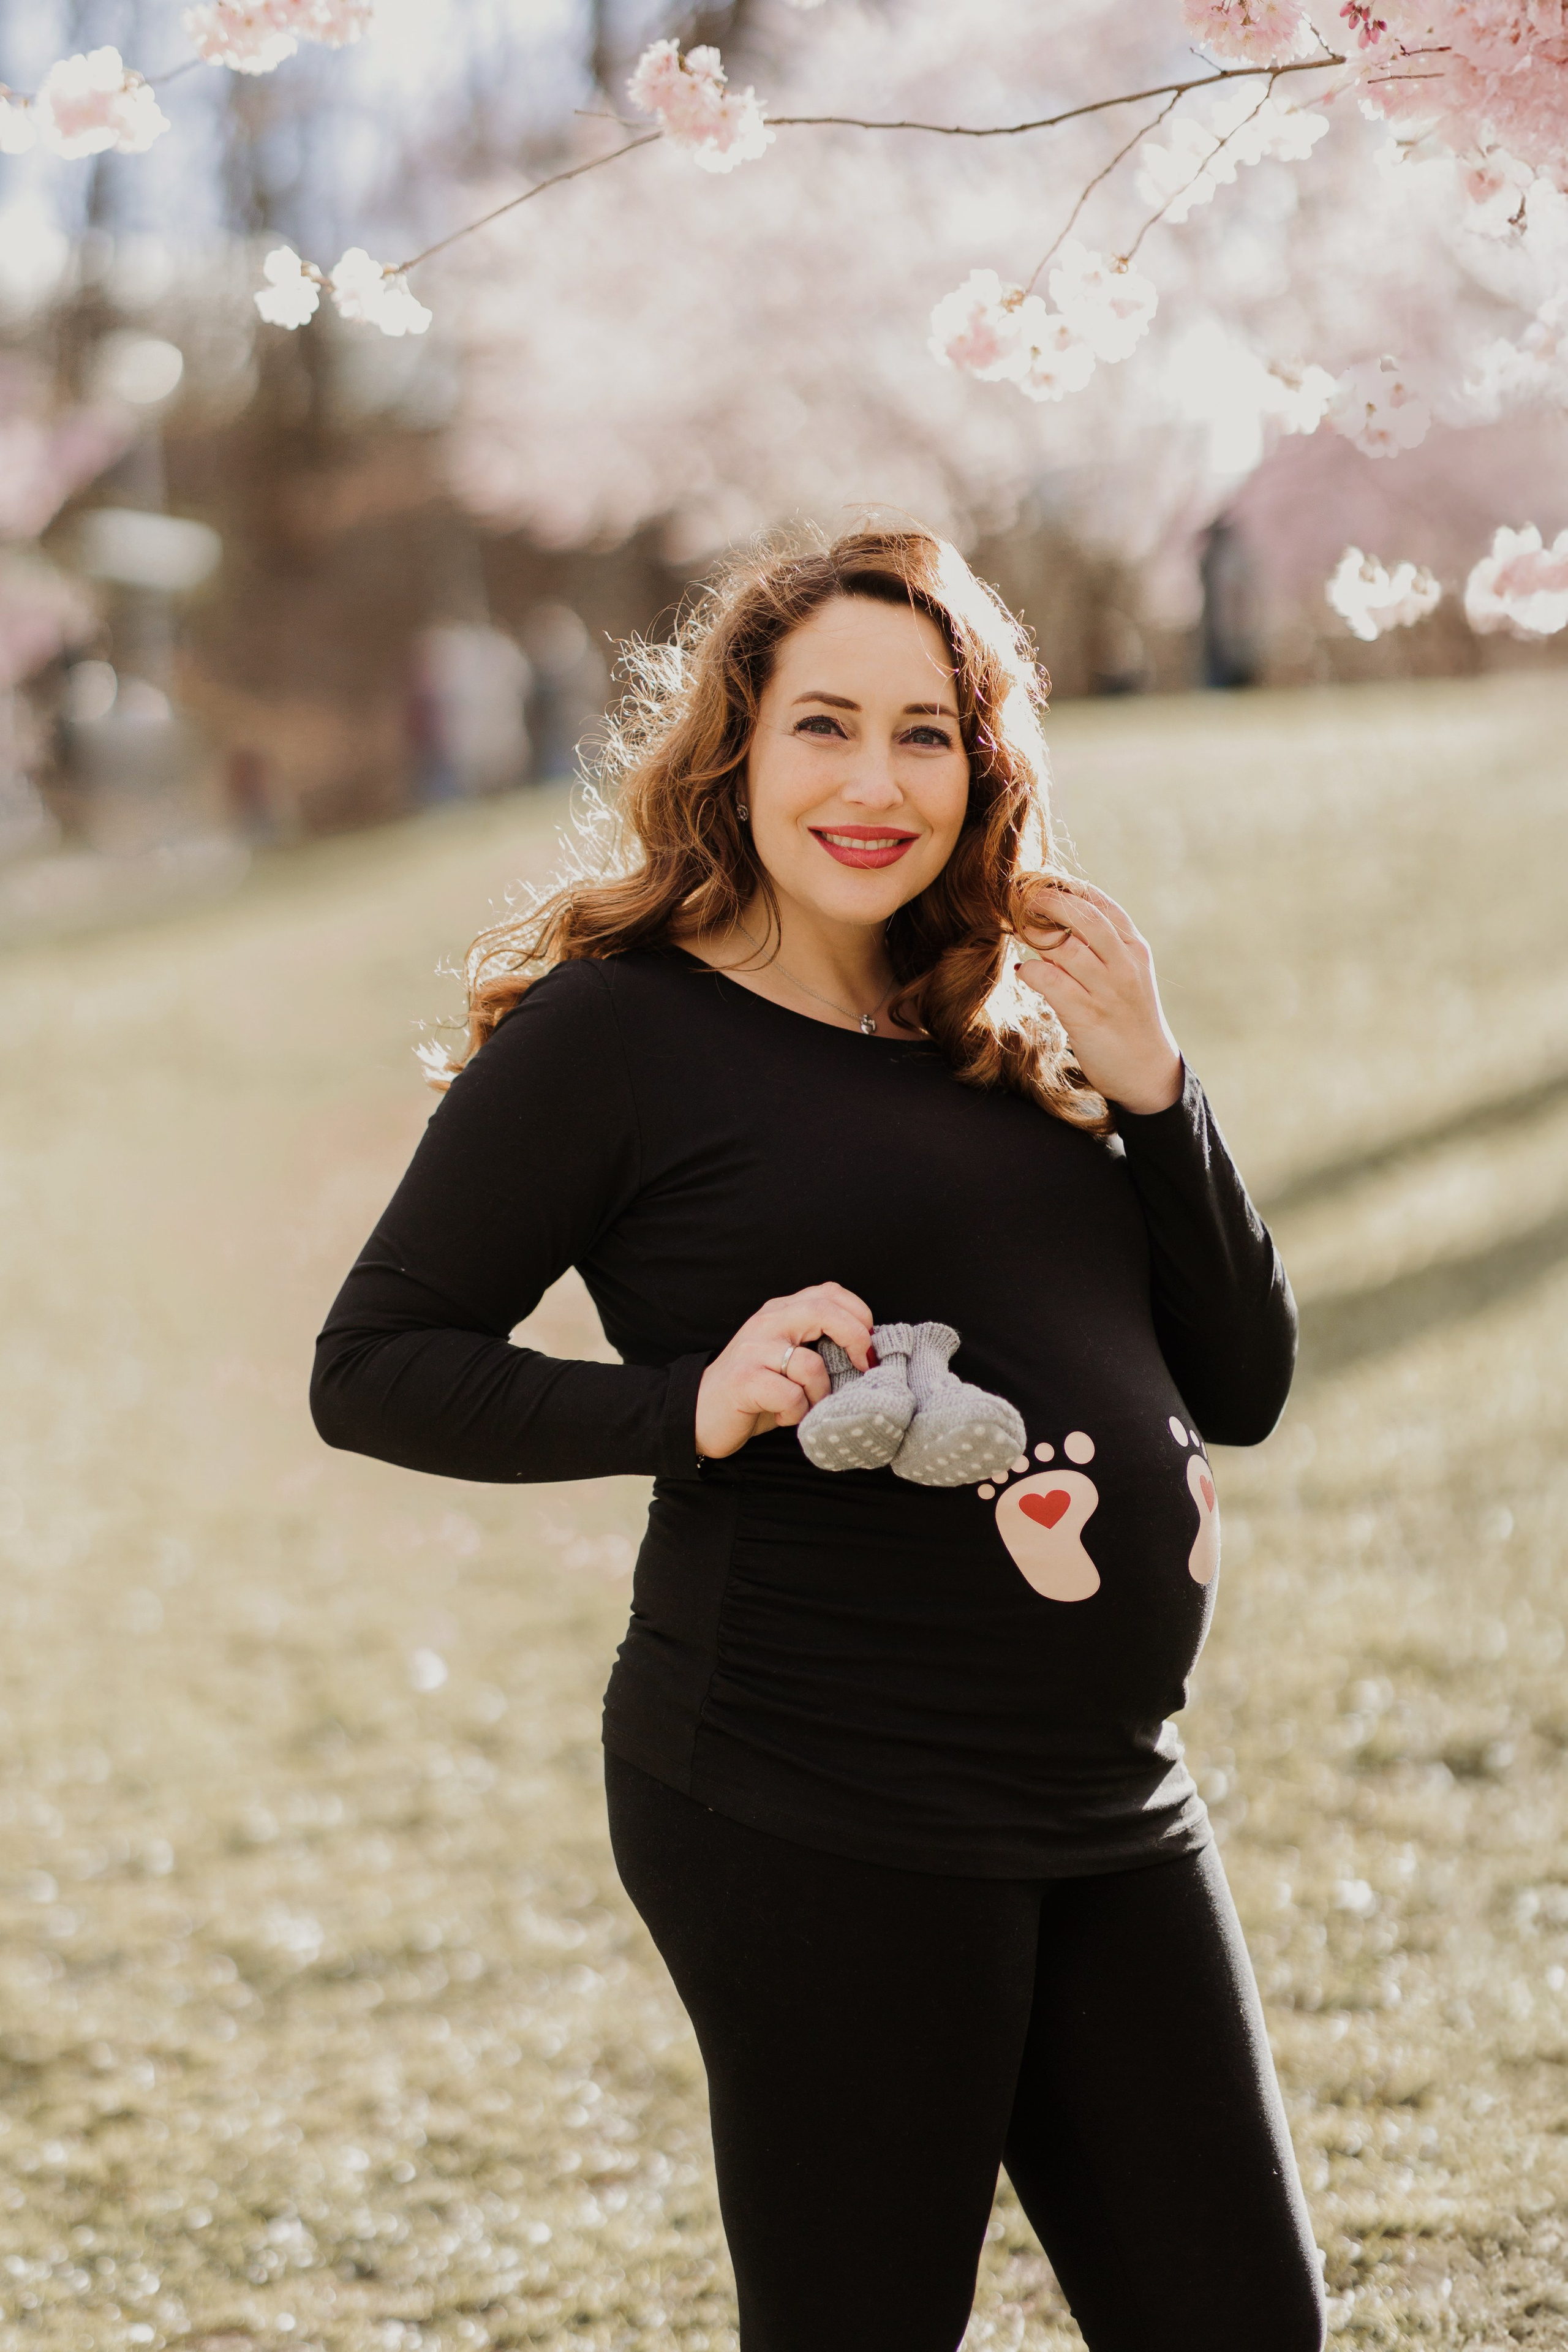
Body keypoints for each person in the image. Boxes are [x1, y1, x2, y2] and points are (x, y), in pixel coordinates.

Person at [311, 527, 1325, 2352]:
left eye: (927, 734)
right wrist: (686, 1404)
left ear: (984, 768)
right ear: (737, 747)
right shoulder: (619, 1035)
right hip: (814, 1790)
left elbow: (1240, 1384)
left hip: (1109, 1793)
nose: (875, 784)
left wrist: (1158, 1089)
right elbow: (374, 1366)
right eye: (825, 727)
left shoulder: (998, 1036)